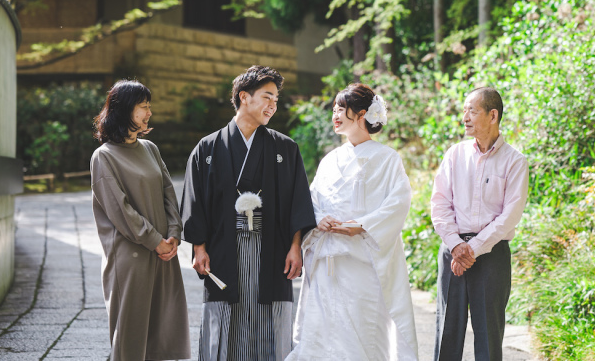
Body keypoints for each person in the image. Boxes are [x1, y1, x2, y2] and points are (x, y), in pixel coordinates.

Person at [180, 66, 316, 361]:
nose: (273, 106)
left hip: (273, 248)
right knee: (226, 315)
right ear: (244, 97)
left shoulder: (285, 149)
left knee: (269, 318)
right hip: (223, 248)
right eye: (267, 97)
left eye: (276, 100)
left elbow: (297, 201)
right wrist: (198, 247)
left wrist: (296, 247)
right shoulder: (208, 148)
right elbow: (196, 201)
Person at [287, 83, 419, 361]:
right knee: (322, 332)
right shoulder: (330, 159)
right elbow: (312, 200)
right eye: (333, 108)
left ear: (361, 115)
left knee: (363, 331)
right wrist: (320, 219)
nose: (334, 113)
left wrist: (363, 225)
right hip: (328, 261)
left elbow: (398, 201)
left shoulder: (387, 159)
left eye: (341, 108)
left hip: (363, 261)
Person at [89, 79, 191, 361]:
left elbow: (168, 191)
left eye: (149, 106)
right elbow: (120, 210)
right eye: (143, 107)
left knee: (163, 329)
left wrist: (173, 233)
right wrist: (154, 240)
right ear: (123, 111)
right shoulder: (104, 156)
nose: (149, 113)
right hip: (131, 256)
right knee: (130, 338)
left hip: (163, 252)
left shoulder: (150, 148)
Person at [430, 87, 528, 361]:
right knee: (447, 330)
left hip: (492, 253)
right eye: (464, 111)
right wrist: (456, 244)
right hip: (453, 250)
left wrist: (472, 248)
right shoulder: (454, 154)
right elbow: (439, 203)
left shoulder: (515, 161)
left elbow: (510, 215)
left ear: (493, 115)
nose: (465, 117)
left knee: (489, 333)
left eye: (472, 110)